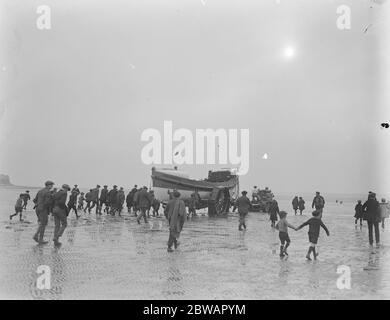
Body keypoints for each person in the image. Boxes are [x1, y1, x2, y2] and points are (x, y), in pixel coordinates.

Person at [33, 181, 54, 245]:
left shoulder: (40, 191)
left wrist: (38, 204)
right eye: (51, 185)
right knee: (44, 224)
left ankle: (36, 236)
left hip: (38, 209)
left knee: (42, 224)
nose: (52, 186)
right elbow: (47, 203)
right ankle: (40, 239)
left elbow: (34, 200)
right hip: (43, 209)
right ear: (48, 185)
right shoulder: (48, 192)